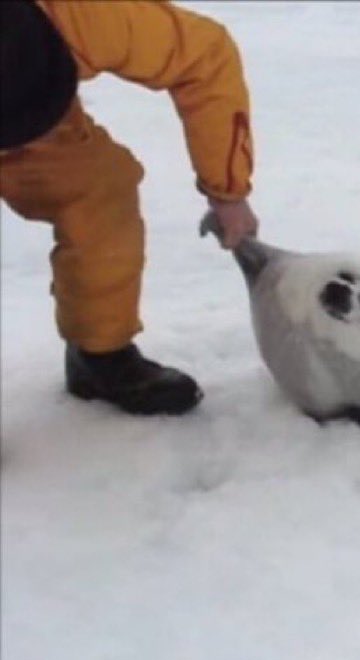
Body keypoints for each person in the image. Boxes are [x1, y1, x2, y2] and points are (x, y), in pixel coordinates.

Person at [0, 0, 259, 415]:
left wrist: (227, 190)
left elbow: (203, 55)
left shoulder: (77, 14)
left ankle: (99, 354)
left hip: (43, 125)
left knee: (100, 191)